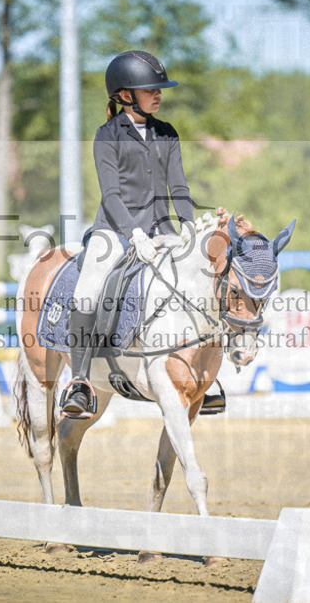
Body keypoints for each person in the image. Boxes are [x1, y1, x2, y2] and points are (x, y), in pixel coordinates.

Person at [61, 50, 224, 418]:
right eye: (150, 88)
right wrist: (134, 235)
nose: (158, 94)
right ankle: (81, 382)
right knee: (88, 290)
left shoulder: (167, 133)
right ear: (124, 95)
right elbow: (111, 195)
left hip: (161, 226)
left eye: (159, 89)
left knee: (200, 279)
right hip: (114, 229)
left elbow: (179, 186)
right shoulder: (107, 136)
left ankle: (204, 377)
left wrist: (186, 223)